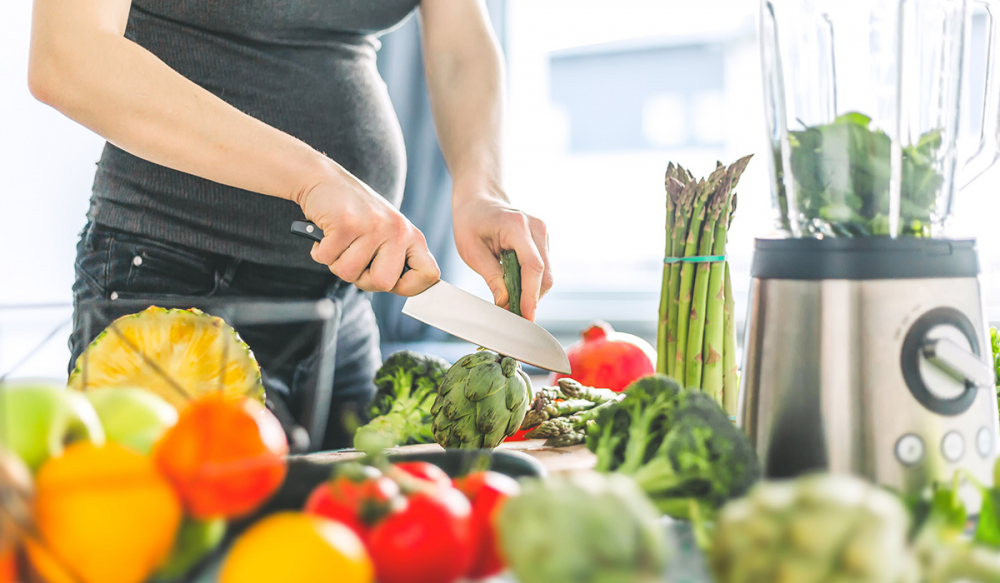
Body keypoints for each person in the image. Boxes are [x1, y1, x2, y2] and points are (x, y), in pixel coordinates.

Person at [28, 0, 553, 449]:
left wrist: (482, 188)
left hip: (342, 308)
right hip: (174, 289)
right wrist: (312, 179)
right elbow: (69, 58)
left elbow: (461, 48)